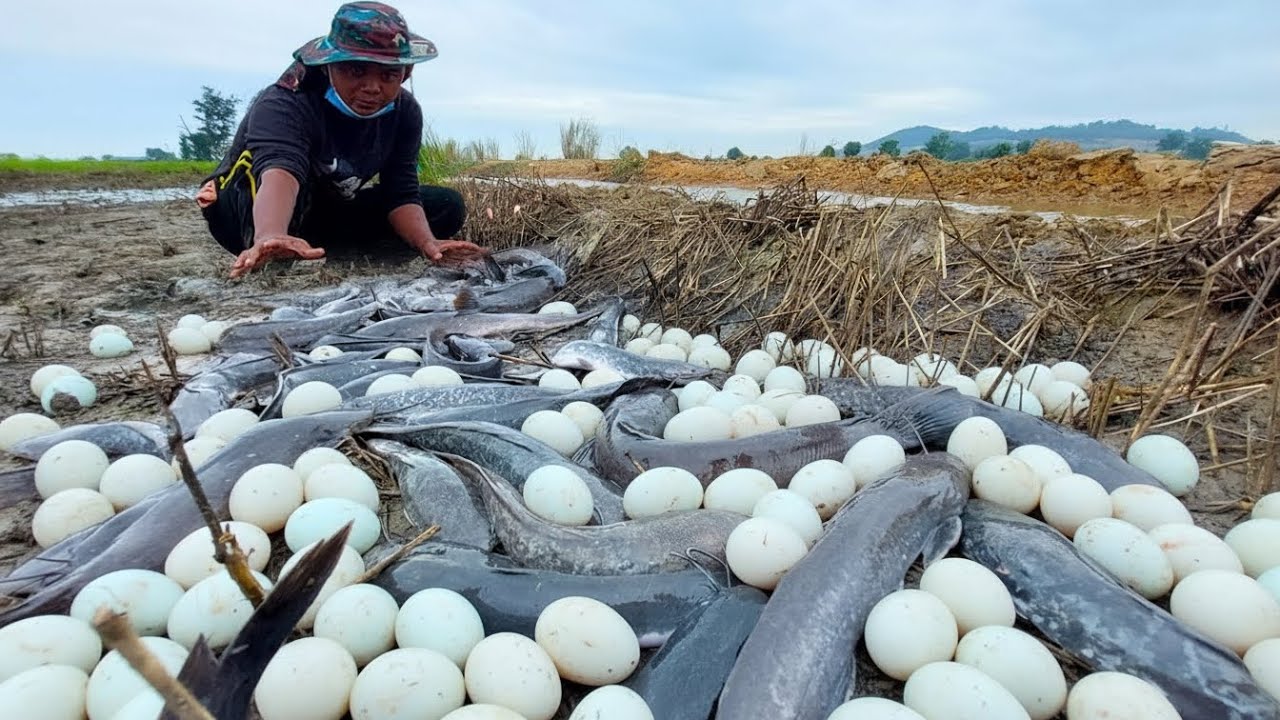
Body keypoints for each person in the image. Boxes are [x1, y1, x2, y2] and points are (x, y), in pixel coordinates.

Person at [195, 1, 485, 279]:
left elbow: (401, 190)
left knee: (446, 205)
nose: (372, 87)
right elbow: (280, 171)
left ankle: (322, 250)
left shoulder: (405, 113)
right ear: (329, 66)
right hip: (258, 205)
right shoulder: (285, 102)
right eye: (356, 70)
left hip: (330, 205)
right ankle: (272, 247)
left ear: (406, 73)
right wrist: (271, 234)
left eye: (388, 74)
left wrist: (428, 243)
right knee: (277, 188)